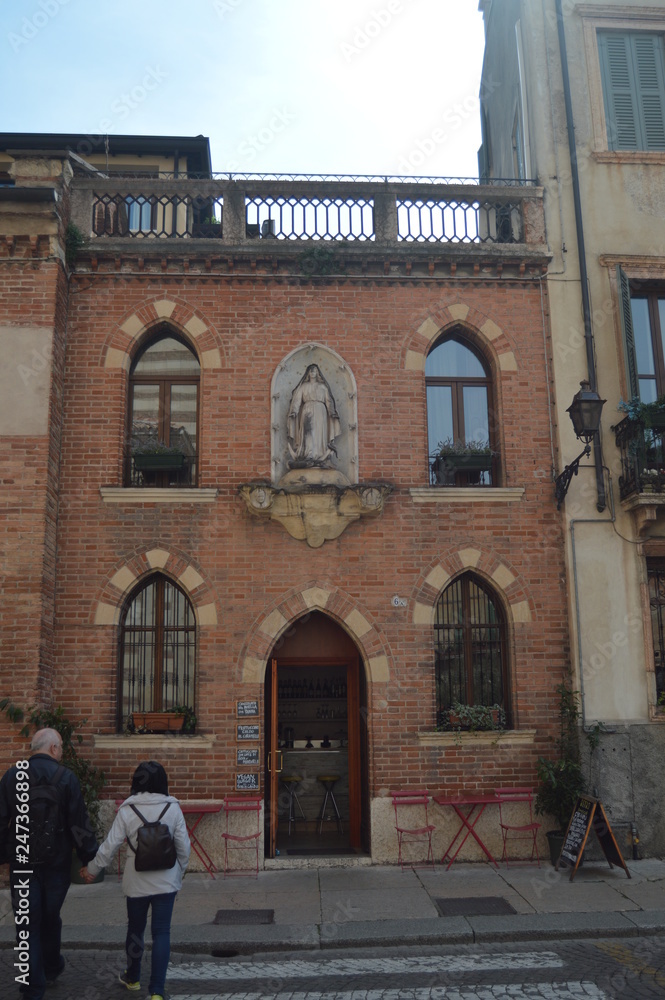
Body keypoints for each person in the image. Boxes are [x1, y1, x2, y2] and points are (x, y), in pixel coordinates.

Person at [0, 727, 98, 1000]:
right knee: (49, 917)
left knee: (26, 922)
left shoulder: (12, 776)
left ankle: (31, 985)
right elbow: (78, 823)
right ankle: (51, 967)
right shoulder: (66, 778)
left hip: (22, 862)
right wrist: (90, 858)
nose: (62, 752)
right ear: (54, 748)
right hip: (56, 862)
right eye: (62, 749)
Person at [80, 760, 190, 1000]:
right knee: (161, 932)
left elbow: (110, 846)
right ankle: (157, 992)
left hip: (136, 882)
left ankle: (133, 978)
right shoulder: (173, 808)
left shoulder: (127, 810)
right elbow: (184, 847)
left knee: (135, 931)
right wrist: (180, 871)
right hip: (166, 881)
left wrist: (92, 869)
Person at [287, 363, 341, 468]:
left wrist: (332, 412)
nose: (312, 372)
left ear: (317, 373)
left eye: (314, 370)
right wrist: (294, 411)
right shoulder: (303, 386)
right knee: (308, 432)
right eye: (311, 370)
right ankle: (308, 454)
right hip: (307, 410)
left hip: (321, 411)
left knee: (319, 432)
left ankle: (320, 454)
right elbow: (297, 400)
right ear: (308, 373)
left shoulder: (323, 387)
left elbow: (329, 401)